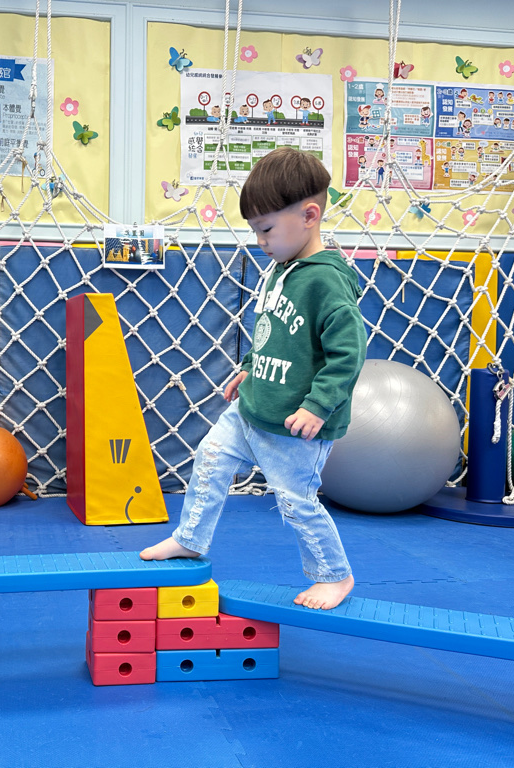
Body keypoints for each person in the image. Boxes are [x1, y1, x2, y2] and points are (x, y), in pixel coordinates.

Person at [140, 147, 367, 611]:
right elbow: (275, 332)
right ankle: (189, 538)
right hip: (252, 409)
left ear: (309, 216)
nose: (260, 241)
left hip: (294, 426)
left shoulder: (326, 281)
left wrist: (318, 405)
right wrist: (249, 366)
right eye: (255, 231)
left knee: (296, 503)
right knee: (209, 461)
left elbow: (349, 354)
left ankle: (334, 575)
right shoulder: (283, 269)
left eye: (266, 229)